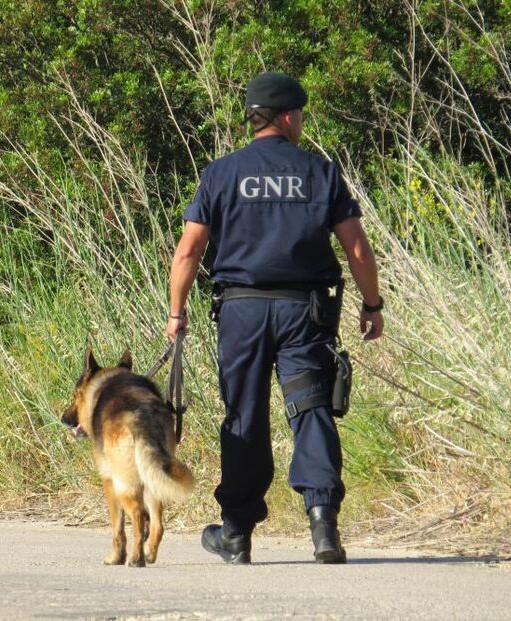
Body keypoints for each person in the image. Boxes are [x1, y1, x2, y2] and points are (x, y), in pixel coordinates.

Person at [165, 71, 384, 564]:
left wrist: (176, 313)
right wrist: (372, 305)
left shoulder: (220, 173)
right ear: (286, 116)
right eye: (300, 114)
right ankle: (323, 525)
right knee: (311, 409)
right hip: (302, 312)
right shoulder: (319, 172)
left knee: (243, 414)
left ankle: (237, 533)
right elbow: (356, 248)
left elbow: (188, 253)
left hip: (241, 313)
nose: (301, 122)